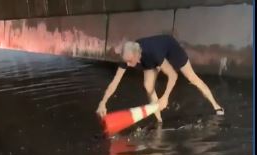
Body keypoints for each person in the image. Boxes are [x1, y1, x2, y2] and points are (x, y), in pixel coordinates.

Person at [96, 34, 224, 122]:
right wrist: (103, 102)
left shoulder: (153, 52)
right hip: (151, 57)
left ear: (136, 55)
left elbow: (173, 76)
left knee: (192, 78)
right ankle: (159, 121)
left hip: (170, 49)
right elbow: (115, 81)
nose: (128, 65)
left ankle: (216, 105)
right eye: (126, 62)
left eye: (130, 61)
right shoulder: (128, 56)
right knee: (148, 86)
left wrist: (165, 97)